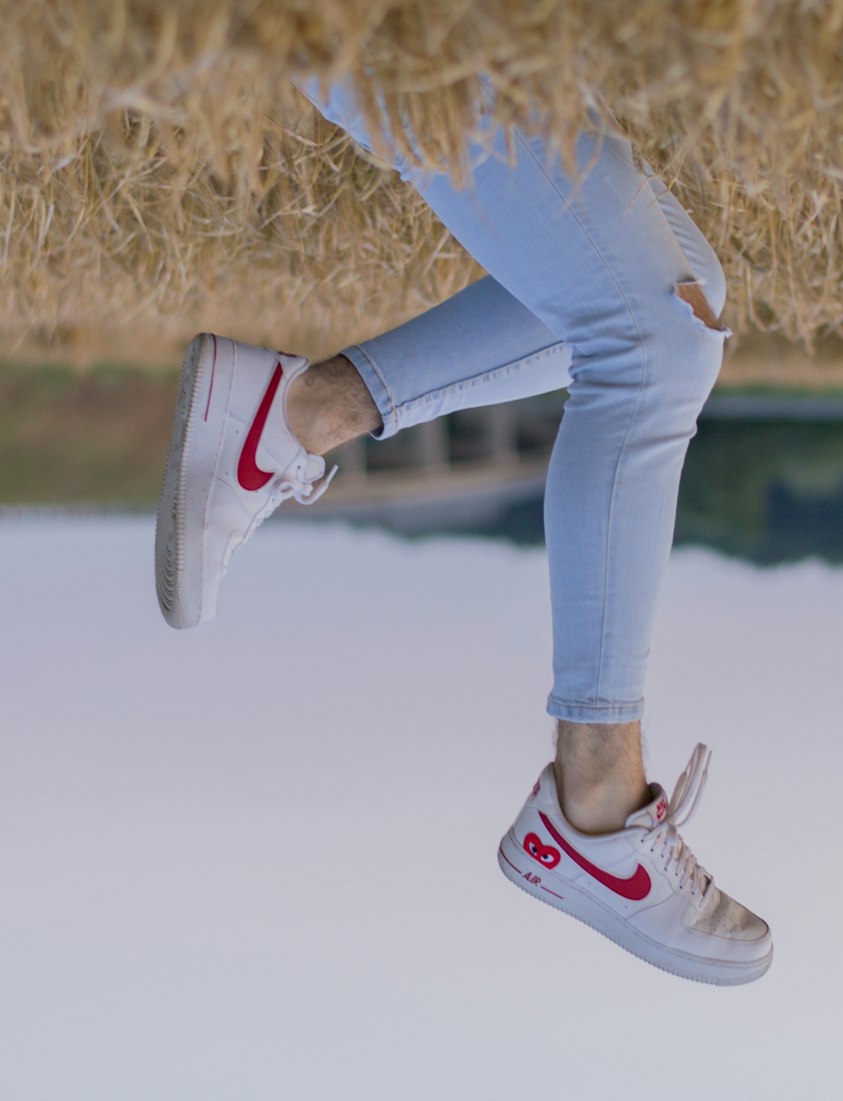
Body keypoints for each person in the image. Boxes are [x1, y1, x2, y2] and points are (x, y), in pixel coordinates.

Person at [154, 75, 772, 986]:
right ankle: (294, 414)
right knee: (675, 317)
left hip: (401, 5)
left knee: (661, 332)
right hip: (449, 6)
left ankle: (294, 414)